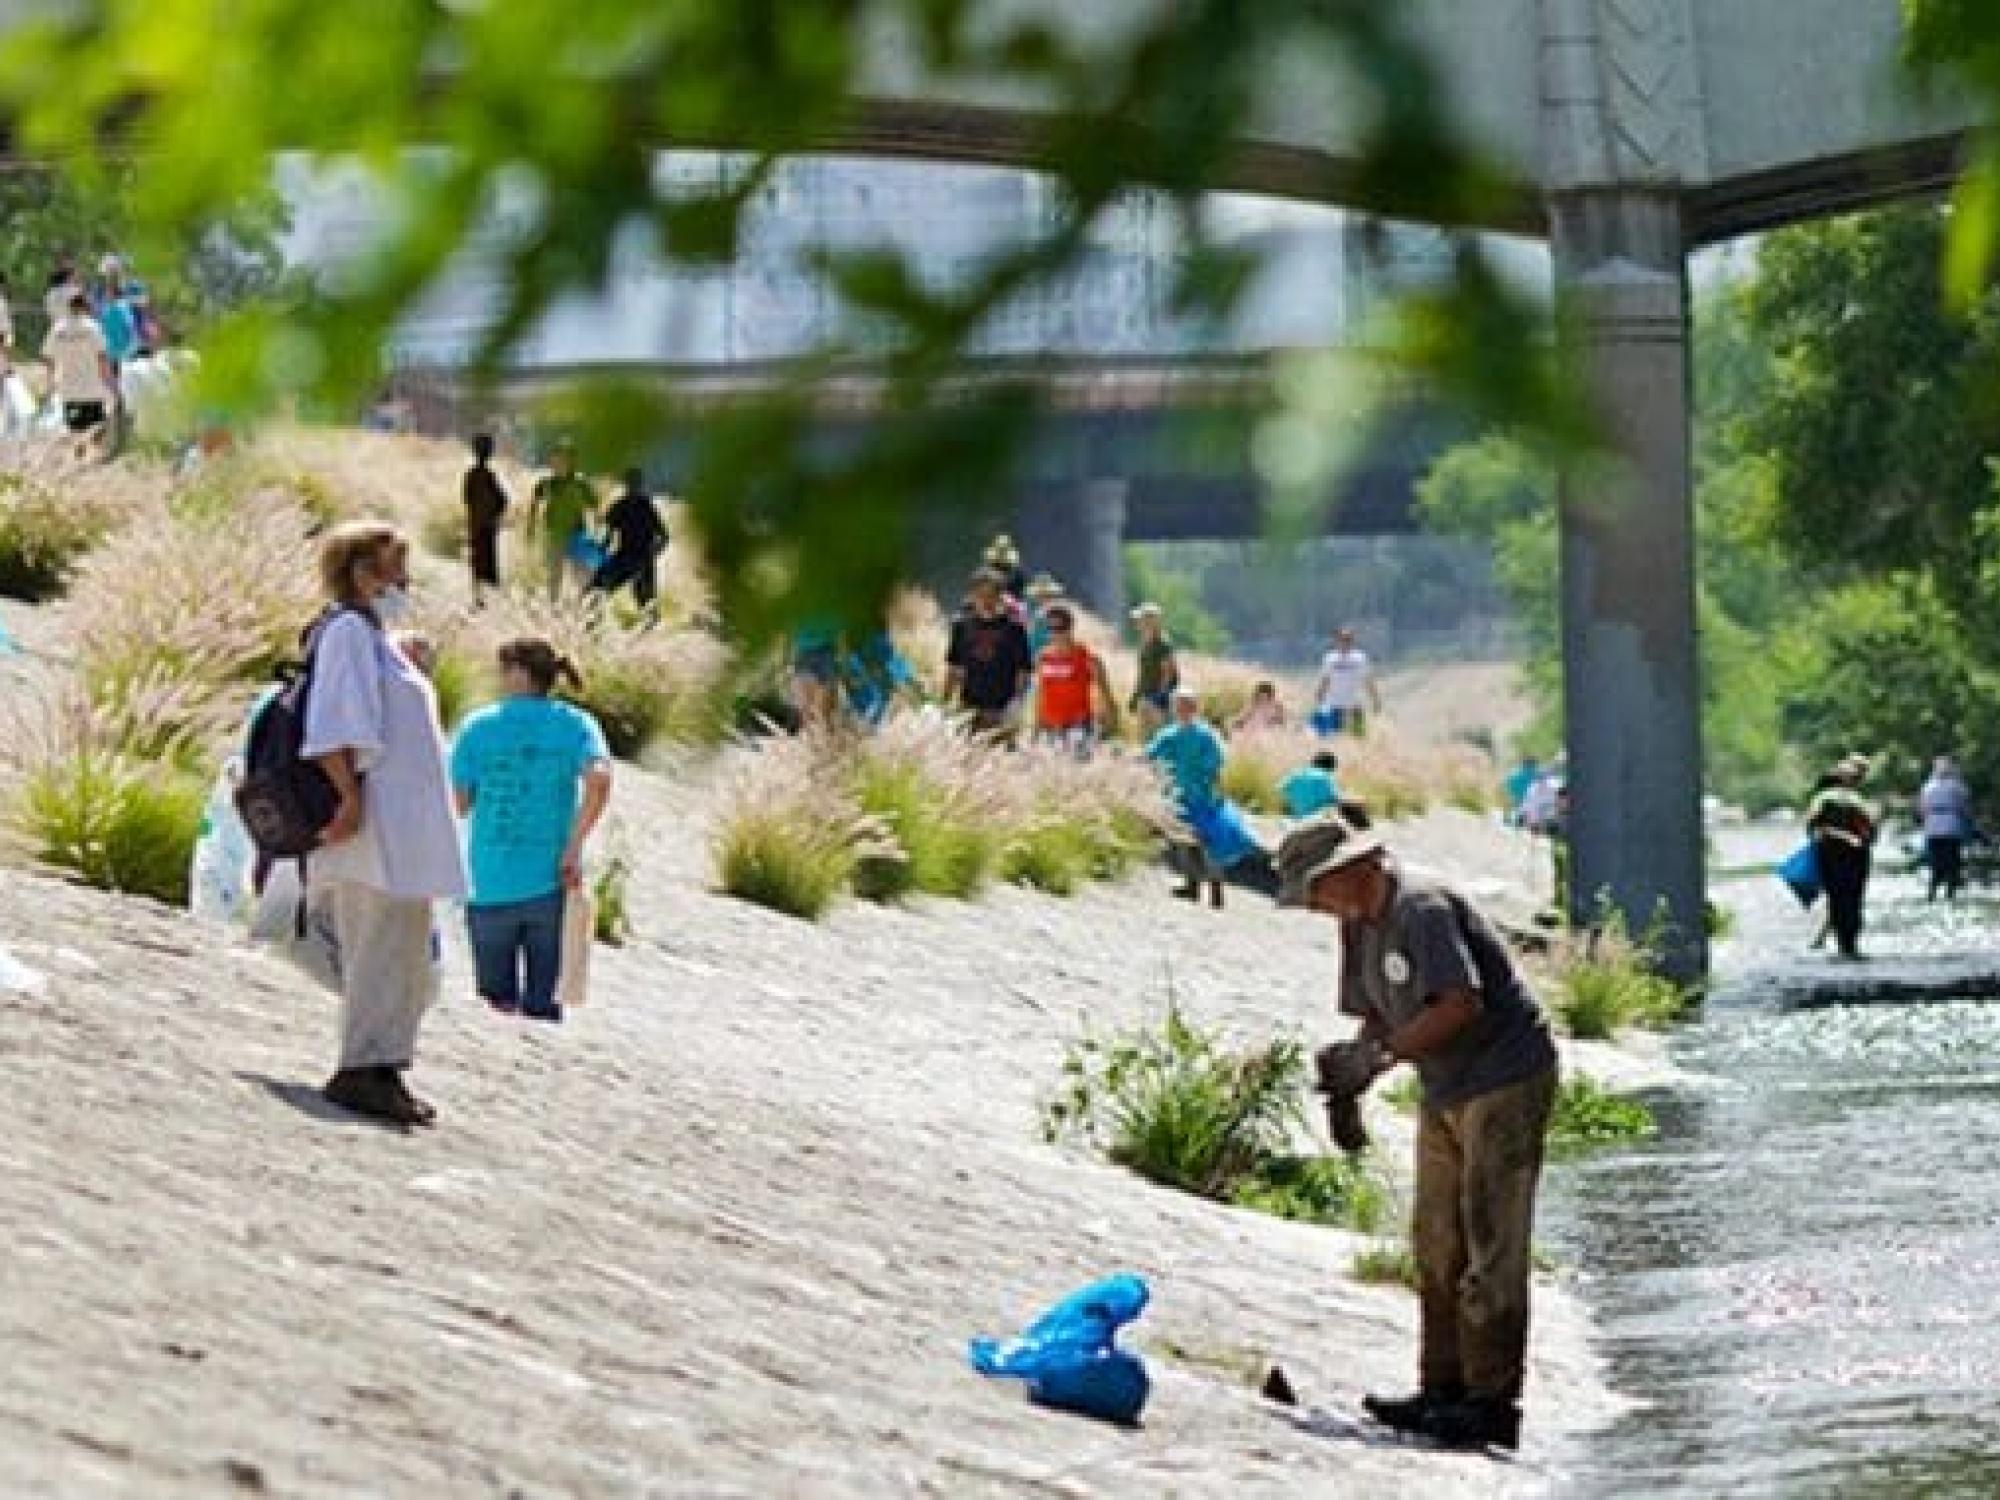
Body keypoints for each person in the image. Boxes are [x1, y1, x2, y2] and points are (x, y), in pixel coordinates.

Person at [1276, 812, 1558, 1453]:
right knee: (1436, 1241)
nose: (1315, 907)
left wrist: (1377, 1061)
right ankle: (1441, 1391)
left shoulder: (1422, 909)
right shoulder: (1358, 925)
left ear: (1352, 871)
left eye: (1315, 890)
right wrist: (1352, 1075)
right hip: (1445, 1086)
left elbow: (1461, 1004)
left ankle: (1491, 1405)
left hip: (1505, 1078)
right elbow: (1376, 1013)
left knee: (1492, 1247)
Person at [302, 521, 467, 1126]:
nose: (403, 582)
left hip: (400, 827)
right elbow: (335, 722)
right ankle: (360, 1068)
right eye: (394, 570)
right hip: (374, 823)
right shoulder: (347, 631)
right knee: (377, 945)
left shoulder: (371, 635)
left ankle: (384, 1067)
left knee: (402, 949)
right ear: (362, 573)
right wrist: (347, 797)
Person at [451, 638, 613, 1022]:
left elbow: (459, 804)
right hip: (551, 881)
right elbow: (600, 778)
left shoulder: (479, 726)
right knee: (543, 1008)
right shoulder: (575, 724)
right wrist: (574, 845)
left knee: (494, 1005)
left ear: (519, 673)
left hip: (489, 880)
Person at [1806, 754, 1877, 960]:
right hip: (1856, 855)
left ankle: (1843, 946)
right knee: (1854, 899)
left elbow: (1811, 824)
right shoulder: (1858, 800)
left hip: (1829, 853)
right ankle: (1850, 945)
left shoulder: (1822, 797)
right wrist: (1854, 838)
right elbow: (1871, 830)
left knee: (1836, 898)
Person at [946, 569, 1033, 738]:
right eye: (980, 594)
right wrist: (946, 701)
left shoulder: (1015, 629)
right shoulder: (961, 627)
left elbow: (1023, 670)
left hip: (1002, 708)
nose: (986, 600)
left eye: (991, 594)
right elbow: (954, 667)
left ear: (1000, 596)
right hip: (969, 707)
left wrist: (1016, 703)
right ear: (972, 595)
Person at [1032, 602, 1117, 754]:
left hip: (1079, 726)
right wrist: (1036, 731)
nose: (1056, 633)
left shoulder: (1088, 658)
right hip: (1050, 727)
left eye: (1060, 628)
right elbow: (1040, 696)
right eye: (1051, 629)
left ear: (1070, 628)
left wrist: (1109, 729)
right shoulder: (1042, 658)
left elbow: (1105, 695)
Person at [42, 293, 114, 448]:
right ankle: (91, 443)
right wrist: (108, 378)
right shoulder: (93, 326)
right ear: (85, 307)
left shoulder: (57, 328)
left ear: (69, 307)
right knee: (96, 420)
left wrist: (51, 380)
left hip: (69, 385)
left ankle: (79, 442)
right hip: (91, 384)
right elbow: (102, 355)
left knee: (75, 424)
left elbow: (48, 357)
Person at [528, 442, 598, 599]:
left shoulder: (581, 484)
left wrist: (597, 532)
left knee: (581, 572)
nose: (556, 464)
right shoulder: (546, 484)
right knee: (554, 571)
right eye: (554, 460)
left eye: (561, 460)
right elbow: (535, 503)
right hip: (554, 533)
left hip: (577, 532)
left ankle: (585, 604)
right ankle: (553, 604)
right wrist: (531, 527)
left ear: (571, 462)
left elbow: (594, 507)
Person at [592, 468, 668, 609]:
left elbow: (608, 535)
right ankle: (592, 621)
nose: (633, 487)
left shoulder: (626, 505)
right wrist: (654, 553)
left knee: (598, 586)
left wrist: (601, 552)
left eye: (633, 484)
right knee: (646, 601)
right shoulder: (645, 506)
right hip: (640, 558)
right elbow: (664, 537)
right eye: (632, 484)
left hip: (630, 557)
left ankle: (590, 621)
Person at [1919, 755, 1975, 902]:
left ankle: (1931, 894)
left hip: (1932, 829)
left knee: (1935, 864)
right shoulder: (1958, 786)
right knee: (1953, 864)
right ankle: (1950, 895)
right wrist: (1970, 825)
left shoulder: (1927, 786)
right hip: (1952, 829)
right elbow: (1965, 808)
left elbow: (1922, 810)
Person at [461, 433, 510, 600]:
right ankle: (483, 598)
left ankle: (481, 597)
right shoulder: (485, 475)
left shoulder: (474, 474)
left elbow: (467, 498)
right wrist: (494, 514)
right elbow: (502, 499)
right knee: (486, 563)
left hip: (478, 525)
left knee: (480, 563)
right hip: (485, 526)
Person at [1311, 626, 1382, 738]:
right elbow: (1325, 680)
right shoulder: (1330, 658)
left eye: (1348, 639)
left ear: (1352, 640)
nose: (1345, 642)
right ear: (1337, 641)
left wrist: (1375, 700)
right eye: (1342, 639)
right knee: (1334, 738)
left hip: (1355, 706)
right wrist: (1319, 697)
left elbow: (1368, 680)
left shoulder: (1360, 658)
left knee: (1359, 738)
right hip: (1334, 706)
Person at [1128, 602, 1180, 735]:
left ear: (1150, 622)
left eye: (1141, 620)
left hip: (1159, 699)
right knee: (1147, 735)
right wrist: (1136, 694)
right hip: (1146, 696)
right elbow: (1143, 673)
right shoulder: (1145, 644)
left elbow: (1168, 673)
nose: (1137, 623)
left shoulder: (1162, 645)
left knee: (1162, 733)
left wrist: (1160, 696)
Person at [1281, 751, 1342, 820]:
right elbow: (1337, 800)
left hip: (1295, 818)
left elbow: (1281, 792)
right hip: (1318, 819)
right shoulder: (1326, 777)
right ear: (1331, 766)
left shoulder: (1294, 774)